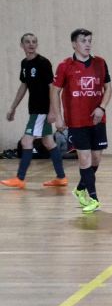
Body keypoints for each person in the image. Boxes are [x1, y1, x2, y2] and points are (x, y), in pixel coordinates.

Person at [49, 29, 112, 214]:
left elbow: (108, 88)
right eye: (83, 41)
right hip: (77, 121)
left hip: (97, 120)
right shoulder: (65, 66)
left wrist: (102, 107)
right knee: (84, 158)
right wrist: (58, 116)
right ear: (74, 44)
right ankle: (93, 199)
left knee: (96, 158)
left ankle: (79, 189)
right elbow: (55, 91)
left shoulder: (100, 63)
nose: (87, 44)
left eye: (89, 40)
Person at [1, 33, 68, 189]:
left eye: (34, 42)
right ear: (22, 45)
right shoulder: (24, 63)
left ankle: (20, 178)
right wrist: (13, 107)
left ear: (36, 44)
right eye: (27, 42)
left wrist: (53, 111)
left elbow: (52, 88)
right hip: (34, 110)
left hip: (42, 110)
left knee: (26, 141)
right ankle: (61, 177)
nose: (31, 44)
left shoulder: (43, 63)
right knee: (48, 141)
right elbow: (24, 85)